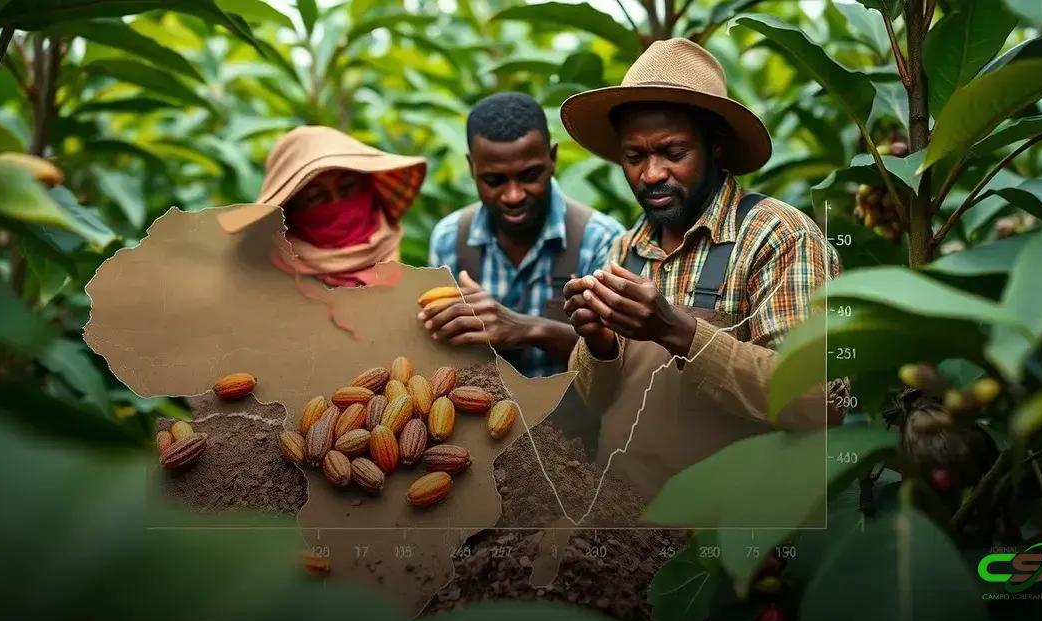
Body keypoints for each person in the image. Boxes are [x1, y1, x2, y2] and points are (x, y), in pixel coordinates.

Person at [558, 39, 844, 498]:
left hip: (726, 538)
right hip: (619, 531)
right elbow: (595, 399)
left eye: (673, 153)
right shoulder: (625, 248)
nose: (651, 174)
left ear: (716, 145)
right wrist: (599, 342)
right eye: (634, 157)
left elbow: (820, 402)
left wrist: (678, 330)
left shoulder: (778, 237)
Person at [423, 93, 625, 377]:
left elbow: (620, 360)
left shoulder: (599, 239)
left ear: (552, 159)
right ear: (472, 168)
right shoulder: (450, 238)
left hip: (573, 418)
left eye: (530, 176)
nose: (514, 195)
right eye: (494, 181)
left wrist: (529, 329)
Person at [217, 126, 426, 287]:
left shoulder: (417, 290)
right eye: (315, 198)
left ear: (368, 187)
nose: (336, 205)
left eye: (347, 187)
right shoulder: (258, 284)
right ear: (289, 213)